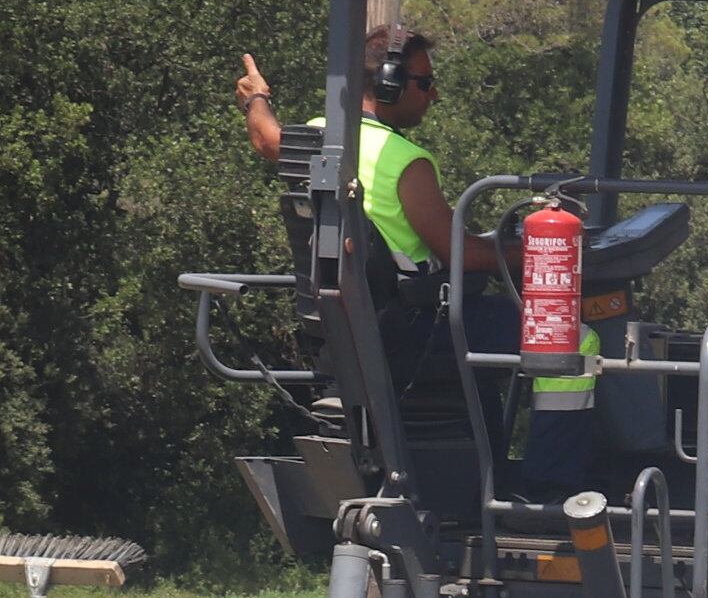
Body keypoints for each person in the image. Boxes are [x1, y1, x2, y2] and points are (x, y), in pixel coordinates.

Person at [238, 32, 581, 498]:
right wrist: (536, 250)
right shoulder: (407, 162)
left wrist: (256, 95)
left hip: (348, 330)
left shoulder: (320, 138)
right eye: (425, 82)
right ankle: (552, 490)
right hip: (413, 327)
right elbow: (458, 254)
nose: (434, 94)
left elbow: (264, 138)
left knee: (488, 340)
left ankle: (493, 480)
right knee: (576, 338)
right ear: (388, 84)